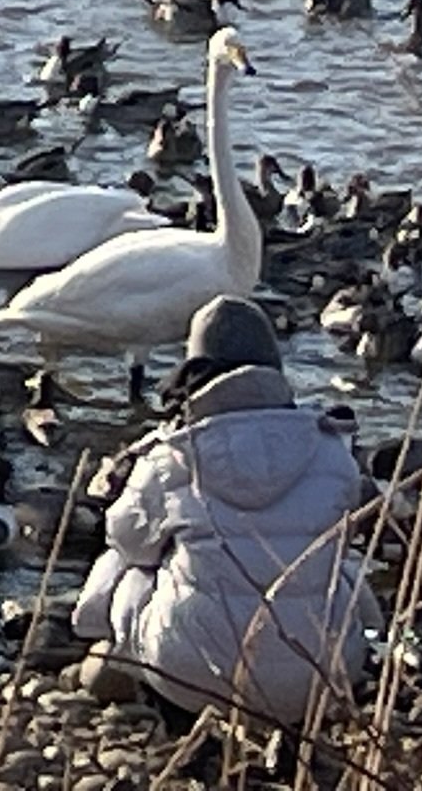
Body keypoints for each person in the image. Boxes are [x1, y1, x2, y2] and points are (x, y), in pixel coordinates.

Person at [73, 295, 377, 728]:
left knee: (130, 562)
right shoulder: (330, 448)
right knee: (336, 560)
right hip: (322, 675)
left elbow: (127, 541)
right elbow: (344, 531)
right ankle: (359, 662)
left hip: (196, 676)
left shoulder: (172, 455)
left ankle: (120, 663)